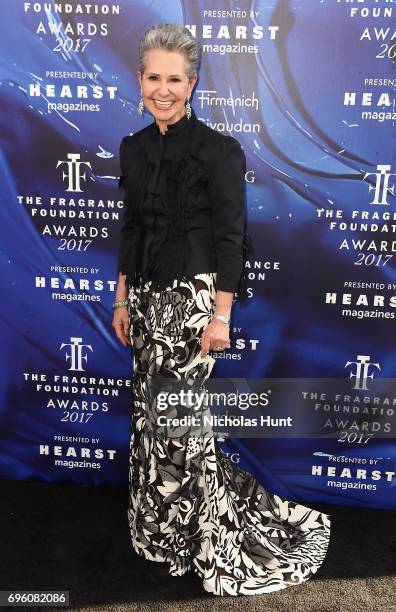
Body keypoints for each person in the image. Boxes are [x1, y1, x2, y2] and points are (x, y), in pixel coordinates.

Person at [112, 23, 331, 597]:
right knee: (152, 421)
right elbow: (131, 229)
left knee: (179, 424)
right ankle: (157, 532)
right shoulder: (132, 148)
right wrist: (121, 296)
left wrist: (220, 315)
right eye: (154, 77)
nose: (164, 89)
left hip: (193, 304)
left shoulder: (218, 151)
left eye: (175, 80)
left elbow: (232, 238)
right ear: (140, 81)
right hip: (145, 301)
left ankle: (193, 539)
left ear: (193, 84)